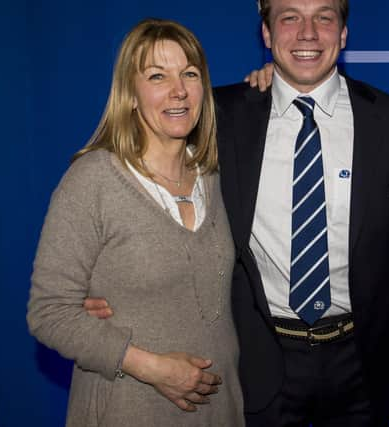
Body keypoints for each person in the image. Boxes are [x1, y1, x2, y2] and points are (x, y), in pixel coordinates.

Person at [84, 1, 389, 424]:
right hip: (258, 362)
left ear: (344, 33)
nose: (307, 33)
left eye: (324, 17)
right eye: (289, 18)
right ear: (266, 34)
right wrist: (101, 283)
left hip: (363, 364)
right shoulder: (216, 115)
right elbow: (144, 189)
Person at [27, 18, 244, 427]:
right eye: (157, 76)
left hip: (220, 410)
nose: (178, 90)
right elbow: (49, 312)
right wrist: (152, 367)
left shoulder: (214, 177)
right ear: (130, 94)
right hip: (127, 408)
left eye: (190, 74)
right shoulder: (93, 180)